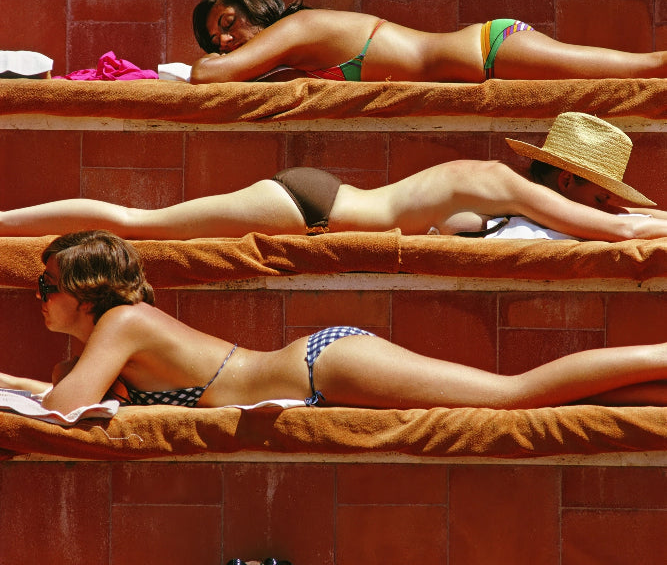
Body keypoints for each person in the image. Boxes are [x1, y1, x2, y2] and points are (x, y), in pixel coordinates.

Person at [1, 229, 666, 415]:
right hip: (324, 366)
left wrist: (20, 387)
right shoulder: (118, 336)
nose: (37, 297)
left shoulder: (121, 322)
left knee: (512, 395)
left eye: (45, 284)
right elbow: (65, 395)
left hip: (324, 366)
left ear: (83, 290)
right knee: (520, 402)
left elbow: (63, 407)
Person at [1, 112, 666, 240]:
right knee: (136, 225)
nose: (603, 202)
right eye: (598, 189)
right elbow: (610, 232)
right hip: (308, 208)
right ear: (570, 181)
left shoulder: (493, 192)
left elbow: (453, 228)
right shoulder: (511, 187)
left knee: (138, 225)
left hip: (319, 199)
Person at [188, 0, 667, 85]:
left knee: (645, 69)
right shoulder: (291, 50)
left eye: (228, 24)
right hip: (489, 53)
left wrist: (206, 61)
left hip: (491, 51)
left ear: (253, 5)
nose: (226, 42)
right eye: (217, 40)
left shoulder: (293, 28)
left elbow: (210, 76)